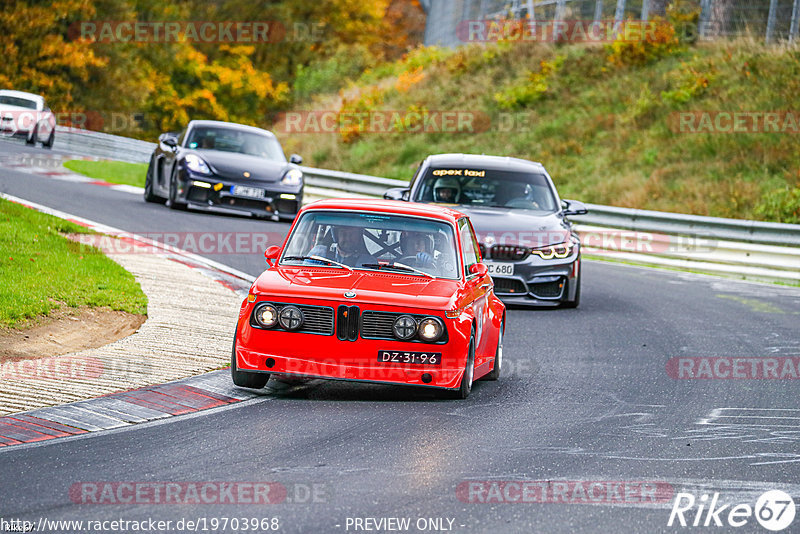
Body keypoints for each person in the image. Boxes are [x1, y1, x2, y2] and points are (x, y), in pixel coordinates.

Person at [308, 225, 376, 267]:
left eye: (352, 234)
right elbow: (305, 274)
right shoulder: (318, 254)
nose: (348, 238)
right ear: (336, 236)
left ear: (359, 236)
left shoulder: (368, 262)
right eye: (343, 234)